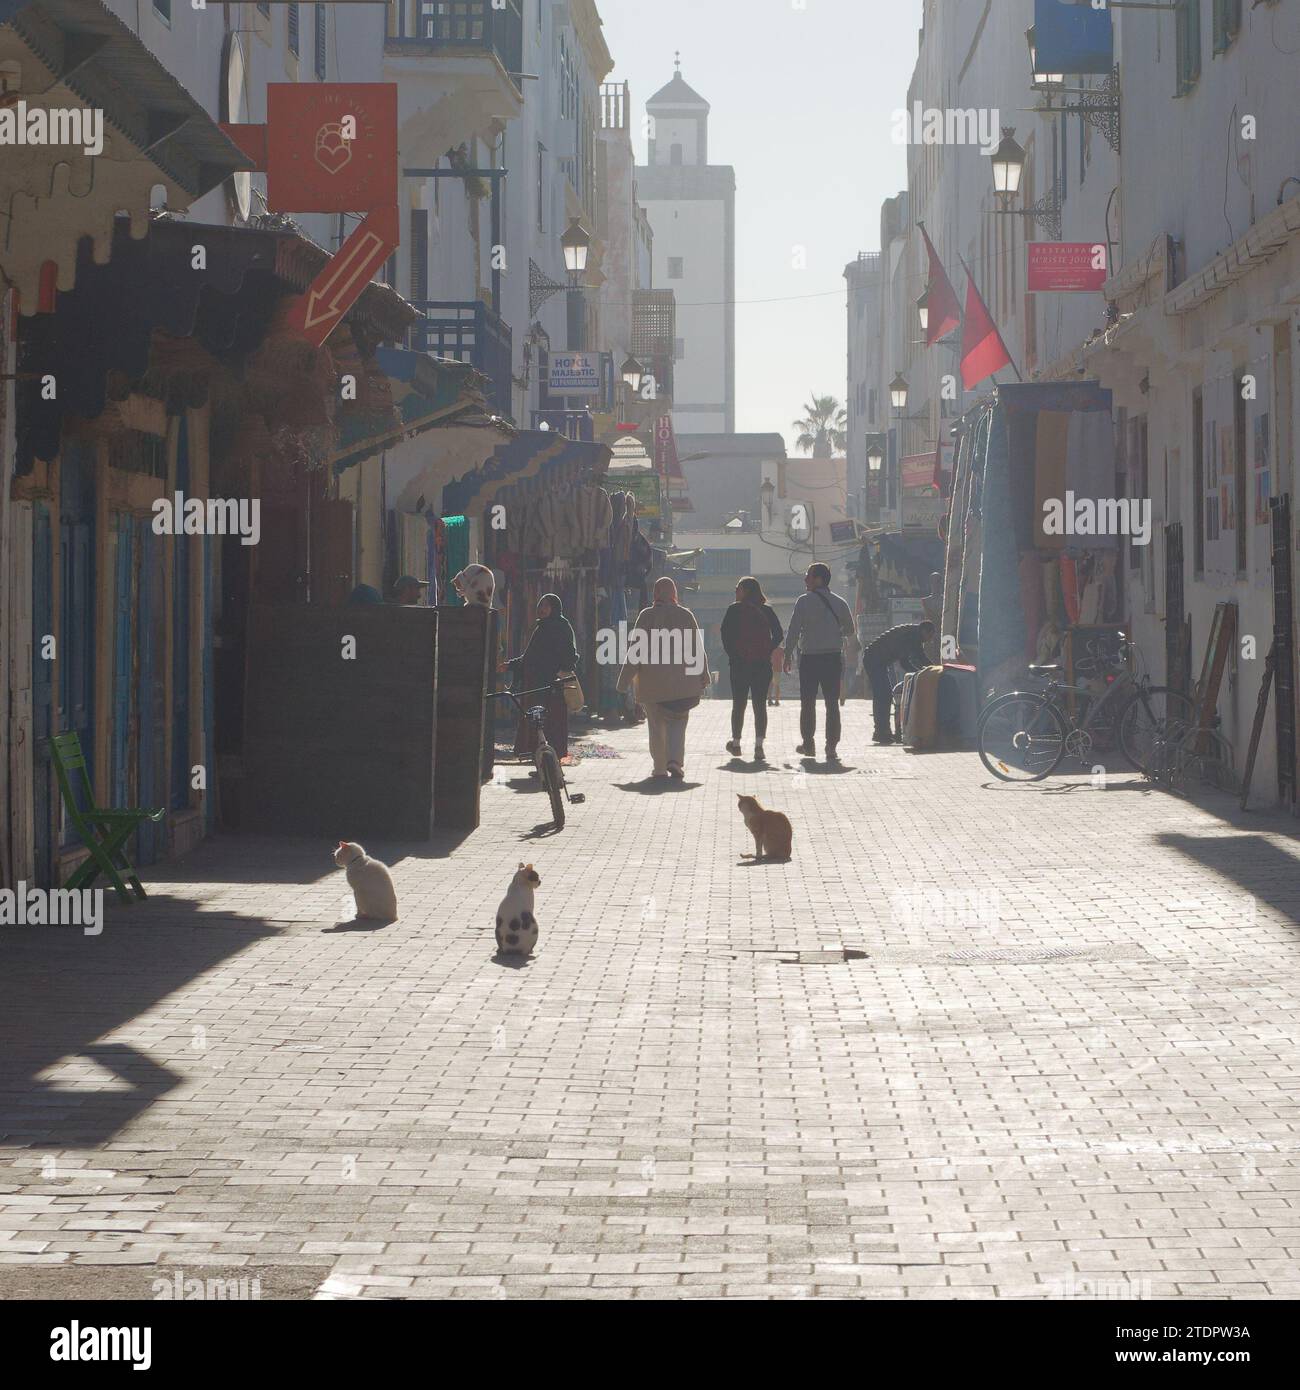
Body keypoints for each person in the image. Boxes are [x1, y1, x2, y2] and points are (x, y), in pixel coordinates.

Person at [617, 576, 711, 781]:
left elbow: (635, 652)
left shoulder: (647, 616)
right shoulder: (686, 615)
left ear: (656, 593)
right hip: (684, 685)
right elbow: (697, 648)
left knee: (657, 726)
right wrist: (704, 675)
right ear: (674, 593)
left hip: (654, 686)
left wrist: (623, 683)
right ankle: (675, 762)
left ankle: (659, 767)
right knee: (679, 722)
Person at [783, 562, 856, 762]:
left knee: (808, 703)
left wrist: (787, 654)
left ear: (818, 579)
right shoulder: (840, 602)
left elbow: (793, 631)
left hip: (809, 659)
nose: (805, 580)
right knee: (832, 704)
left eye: (808, 576)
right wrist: (833, 632)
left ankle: (808, 745)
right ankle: (831, 747)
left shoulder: (803, 601)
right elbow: (850, 630)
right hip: (833, 658)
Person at [498, 593, 579, 761]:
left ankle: (550, 761)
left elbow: (570, 655)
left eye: (546, 606)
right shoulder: (541, 628)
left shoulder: (561, 626)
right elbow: (530, 657)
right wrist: (511, 664)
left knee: (551, 724)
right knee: (536, 723)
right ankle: (540, 760)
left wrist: (559, 672)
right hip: (535, 686)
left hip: (552, 687)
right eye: (540, 605)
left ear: (554, 608)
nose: (542, 609)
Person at [720, 576, 784, 761]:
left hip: (739, 665)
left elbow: (725, 635)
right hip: (762, 665)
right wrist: (767, 650)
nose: (735, 591)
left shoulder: (733, 610)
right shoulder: (766, 610)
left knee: (739, 704)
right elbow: (778, 634)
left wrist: (734, 654)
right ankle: (758, 746)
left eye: (738, 588)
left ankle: (737, 743)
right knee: (759, 705)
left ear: (746, 590)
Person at [863, 619, 936, 744]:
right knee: (883, 695)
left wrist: (927, 670)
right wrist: (928, 670)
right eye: (929, 636)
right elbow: (909, 661)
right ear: (924, 631)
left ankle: (882, 732)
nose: (929, 640)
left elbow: (915, 658)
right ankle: (881, 733)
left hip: (878, 661)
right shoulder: (912, 636)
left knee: (884, 695)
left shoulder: (914, 633)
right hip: (874, 660)